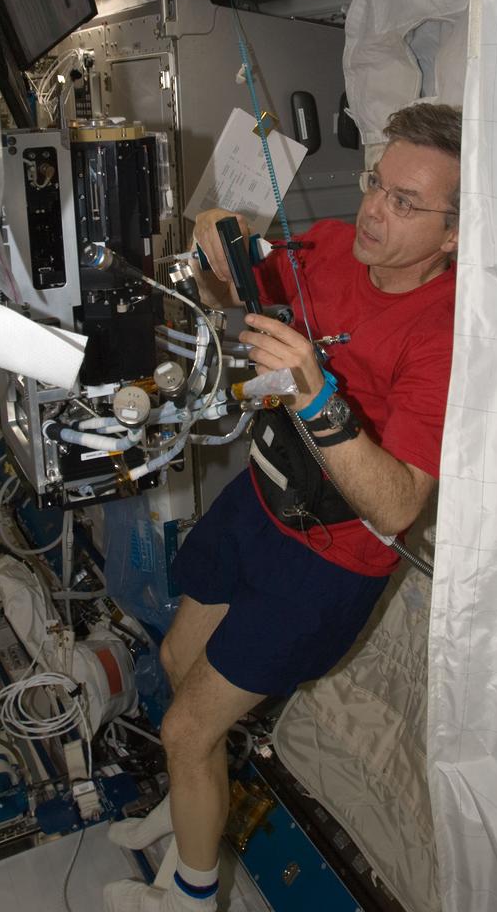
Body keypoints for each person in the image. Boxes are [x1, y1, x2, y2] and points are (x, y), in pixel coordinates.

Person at [104, 102, 462, 911]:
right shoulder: (331, 245)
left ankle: (191, 897)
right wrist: (210, 245)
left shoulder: (443, 336)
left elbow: (398, 505)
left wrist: (316, 396)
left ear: (452, 235)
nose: (374, 210)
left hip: (330, 563)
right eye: (377, 184)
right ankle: (190, 811)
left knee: (185, 729)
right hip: (261, 499)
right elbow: (225, 295)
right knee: (176, 661)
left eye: (406, 203)